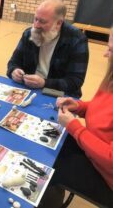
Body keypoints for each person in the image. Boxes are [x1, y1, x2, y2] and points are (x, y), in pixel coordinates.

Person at [38, 27, 113, 208]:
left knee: (48, 167)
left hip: (106, 175)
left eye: (110, 49)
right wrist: (79, 107)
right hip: (93, 149)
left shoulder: (76, 41)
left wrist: (75, 128)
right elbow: (103, 110)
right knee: (49, 145)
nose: (105, 53)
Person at [7, 0, 89, 98]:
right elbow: (13, 62)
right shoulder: (29, 34)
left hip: (58, 94)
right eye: (35, 19)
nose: (36, 25)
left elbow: (75, 81)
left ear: (59, 23)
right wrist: (13, 71)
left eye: (42, 21)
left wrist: (44, 83)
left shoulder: (76, 40)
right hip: (28, 89)